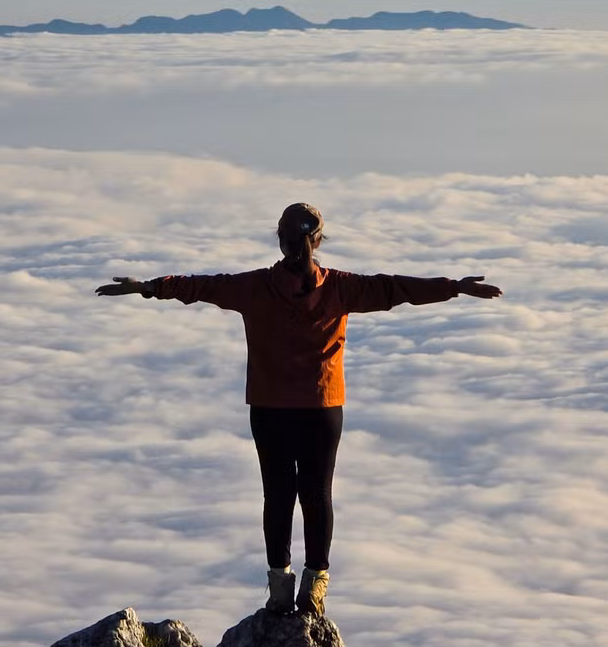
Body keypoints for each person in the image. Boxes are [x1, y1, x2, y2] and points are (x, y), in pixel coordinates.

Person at [95, 203, 502, 617]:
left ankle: (278, 588)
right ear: (319, 241)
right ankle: (314, 586)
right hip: (322, 408)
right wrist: (455, 287)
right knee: (316, 494)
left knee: (278, 495)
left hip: (270, 409)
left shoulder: (254, 288)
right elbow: (396, 288)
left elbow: (199, 286)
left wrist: (147, 287)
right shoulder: (342, 288)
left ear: (279, 239)